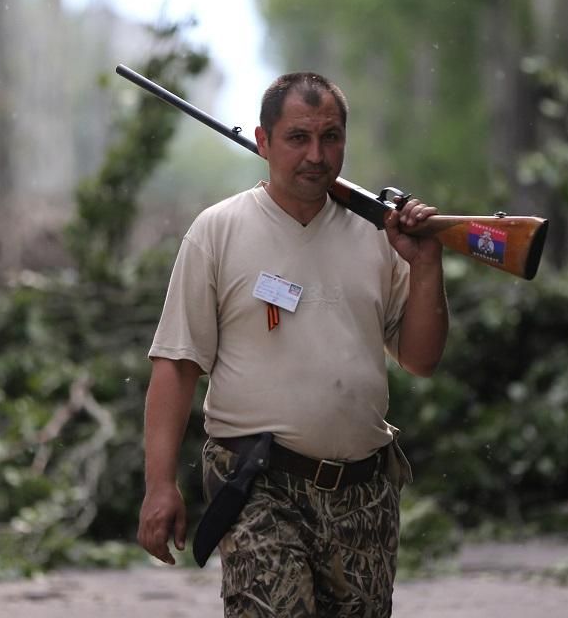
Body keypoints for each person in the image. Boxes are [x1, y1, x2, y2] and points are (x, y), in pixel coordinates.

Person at [137, 71, 449, 616]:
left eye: (330, 137)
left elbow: (421, 359)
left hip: (364, 489)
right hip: (258, 480)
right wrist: (159, 485)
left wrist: (425, 266)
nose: (316, 155)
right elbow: (177, 365)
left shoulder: (381, 237)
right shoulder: (217, 231)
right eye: (297, 138)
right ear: (263, 141)